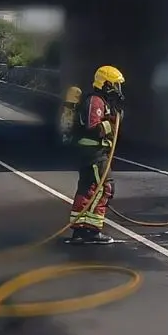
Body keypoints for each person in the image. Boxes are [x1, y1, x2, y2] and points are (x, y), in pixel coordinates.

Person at [66, 65, 125, 245]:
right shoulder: (96, 101)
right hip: (94, 153)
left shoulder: (101, 101)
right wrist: (113, 122)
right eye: (115, 85)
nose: (118, 89)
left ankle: (80, 229)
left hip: (90, 153)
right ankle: (92, 230)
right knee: (105, 188)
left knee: (88, 189)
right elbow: (93, 128)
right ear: (106, 84)